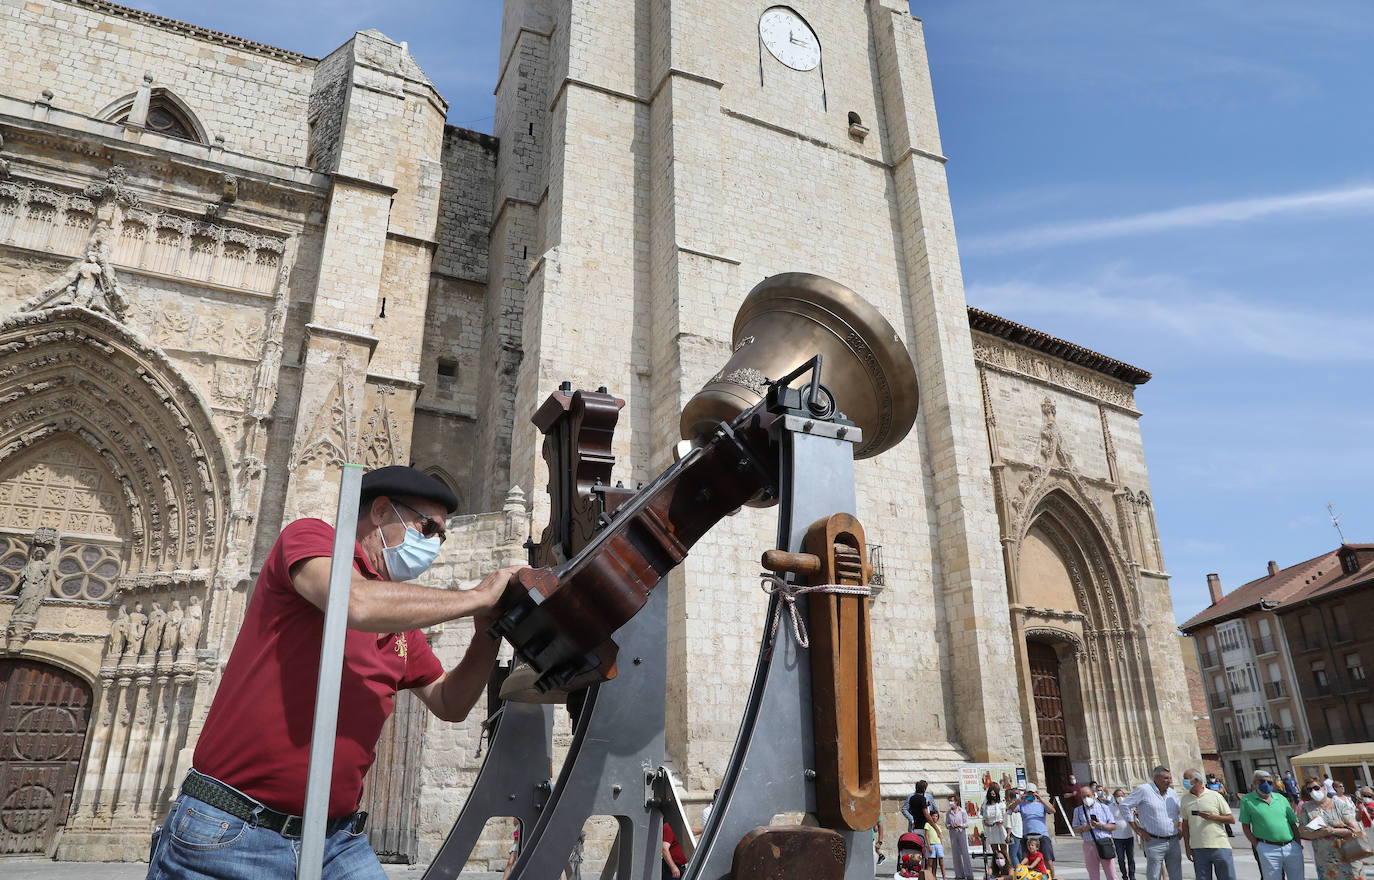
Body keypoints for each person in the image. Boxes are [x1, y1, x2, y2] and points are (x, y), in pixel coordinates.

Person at [145, 466, 522, 880]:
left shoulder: (401, 625)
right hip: (233, 828)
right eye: (427, 527)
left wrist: (488, 634)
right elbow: (353, 603)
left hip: (336, 840)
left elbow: (450, 703)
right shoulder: (311, 539)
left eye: (441, 536)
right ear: (380, 512)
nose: (434, 544)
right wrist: (476, 597)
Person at [1238, 769, 1302, 880]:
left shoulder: (1281, 798)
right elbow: (1246, 826)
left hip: (1290, 846)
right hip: (1267, 847)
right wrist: (1257, 846)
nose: (1266, 785)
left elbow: (1292, 823)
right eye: (1262, 781)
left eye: (1269, 782)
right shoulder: (1247, 800)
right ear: (1255, 783)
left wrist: (1298, 844)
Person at [1123, 765, 1182, 880]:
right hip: (1154, 841)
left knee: (1176, 875)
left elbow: (1179, 811)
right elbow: (1124, 806)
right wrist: (1137, 829)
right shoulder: (1144, 790)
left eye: (1170, 778)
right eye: (1166, 778)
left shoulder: (1172, 793)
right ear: (1156, 778)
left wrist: (1180, 825)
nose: (1169, 781)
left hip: (1173, 841)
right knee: (1154, 875)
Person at [1298, 779, 1361, 880]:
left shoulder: (1339, 804)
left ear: (1324, 788)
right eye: (1309, 790)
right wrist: (1318, 834)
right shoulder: (1307, 808)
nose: (1313, 791)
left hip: (1347, 855)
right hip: (1325, 860)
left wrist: (1333, 831)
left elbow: (1355, 830)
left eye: (1316, 788)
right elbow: (1301, 831)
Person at [1180, 768, 1235, 880]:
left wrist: (1213, 817)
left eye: (1186, 779)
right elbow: (1185, 825)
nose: (1184, 782)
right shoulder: (1185, 799)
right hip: (1198, 848)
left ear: (1195, 780)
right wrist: (1187, 846)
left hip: (1219, 845)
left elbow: (1231, 819)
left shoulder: (1215, 796)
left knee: (1227, 877)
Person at [1073, 783, 1118, 880]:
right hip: (1089, 844)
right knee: (1093, 875)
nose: (1086, 798)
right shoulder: (1078, 810)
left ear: (1093, 795)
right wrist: (1083, 828)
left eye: (1088, 796)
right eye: (1084, 796)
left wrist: (1101, 825)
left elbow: (1113, 826)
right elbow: (1075, 828)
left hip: (1104, 843)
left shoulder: (1104, 807)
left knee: (1111, 874)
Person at [1011, 784, 1055, 879]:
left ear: (1036, 793)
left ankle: (1053, 877)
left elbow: (1052, 810)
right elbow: (1011, 809)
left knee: (1048, 860)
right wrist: (1018, 801)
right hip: (1027, 836)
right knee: (1025, 860)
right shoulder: (1022, 804)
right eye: (1028, 793)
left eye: (1032, 793)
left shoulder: (1041, 804)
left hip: (1042, 835)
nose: (1030, 795)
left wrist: (1041, 800)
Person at [1109, 787, 1137, 880]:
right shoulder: (1111, 807)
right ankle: (1124, 876)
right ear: (1114, 797)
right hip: (1117, 837)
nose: (1120, 797)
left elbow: (1134, 816)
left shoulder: (1129, 805)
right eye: (1118, 796)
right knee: (1121, 858)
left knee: (1131, 858)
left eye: (1122, 795)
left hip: (1129, 835)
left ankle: (1132, 875)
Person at [947, 796, 975, 880]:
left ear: (956, 801)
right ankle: (959, 874)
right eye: (949, 801)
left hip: (961, 832)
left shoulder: (962, 811)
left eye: (951, 801)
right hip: (953, 833)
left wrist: (960, 825)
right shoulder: (948, 813)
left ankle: (969, 874)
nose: (950, 802)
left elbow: (966, 823)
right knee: (956, 854)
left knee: (965, 853)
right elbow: (947, 824)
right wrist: (950, 825)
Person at [984, 784, 1008, 858]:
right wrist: (986, 822)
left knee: (1004, 851)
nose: (993, 796)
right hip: (991, 829)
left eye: (994, 794)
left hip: (999, 828)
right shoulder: (986, 805)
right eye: (991, 794)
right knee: (995, 851)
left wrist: (1001, 822)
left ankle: (1007, 867)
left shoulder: (1001, 804)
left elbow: (1005, 816)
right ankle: (997, 867)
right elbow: (984, 817)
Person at [928, 808, 947, 880]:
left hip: (938, 845)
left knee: (941, 863)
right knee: (931, 863)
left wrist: (942, 845)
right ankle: (931, 877)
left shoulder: (938, 827)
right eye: (933, 816)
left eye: (936, 816)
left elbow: (940, 837)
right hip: (932, 845)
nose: (934, 818)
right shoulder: (928, 825)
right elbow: (927, 836)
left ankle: (944, 877)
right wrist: (929, 846)